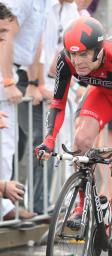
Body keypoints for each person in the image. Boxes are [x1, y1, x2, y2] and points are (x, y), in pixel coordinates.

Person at [36, 16, 112, 256]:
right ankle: (81, 204)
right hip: (102, 94)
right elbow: (57, 103)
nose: (77, 62)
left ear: (99, 51)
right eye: (72, 54)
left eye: (84, 55)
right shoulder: (67, 60)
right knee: (81, 140)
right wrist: (48, 140)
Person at [0, 0, 48, 217]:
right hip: (7, 71)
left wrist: (32, 81)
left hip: (16, 70)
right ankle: (5, 206)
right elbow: (5, 33)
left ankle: (6, 206)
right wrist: (8, 81)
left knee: (10, 143)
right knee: (5, 143)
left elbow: (37, 43)